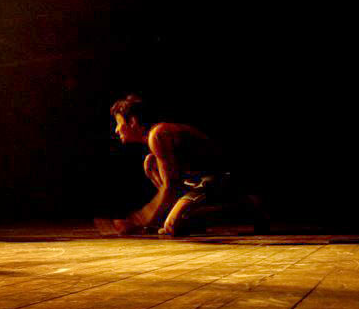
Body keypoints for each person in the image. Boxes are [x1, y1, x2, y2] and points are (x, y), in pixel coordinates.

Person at [99, 94, 263, 236]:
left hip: (220, 180)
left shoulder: (158, 135)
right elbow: (174, 185)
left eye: (118, 123)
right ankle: (185, 215)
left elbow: (170, 187)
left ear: (133, 121)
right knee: (150, 163)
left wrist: (138, 220)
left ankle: (245, 206)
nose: (116, 130)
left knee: (172, 225)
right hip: (198, 182)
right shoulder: (155, 138)